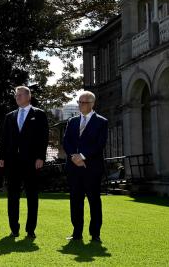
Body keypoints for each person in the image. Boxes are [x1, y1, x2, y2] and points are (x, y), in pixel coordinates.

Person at [0, 86, 49, 239]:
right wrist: (1, 157)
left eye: (20, 95)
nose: (17, 97)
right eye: (16, 95)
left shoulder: (39, 114)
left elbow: (43, 137)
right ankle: (14, 228)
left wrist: (41, 157)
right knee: (12, 197)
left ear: (28, 96)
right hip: (12, 163)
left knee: (32, 196)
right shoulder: (10, 116)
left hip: (32, 162)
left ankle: (30, 229)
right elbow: (4, 139)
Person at [63, 91, 108, 243]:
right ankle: (77, 233)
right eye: (79, 102)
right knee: (75, 201)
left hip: (92, 168)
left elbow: (99, 144)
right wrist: (73, 157)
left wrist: (82, 156)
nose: (81, 105)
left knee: (94, 200)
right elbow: (66, 142)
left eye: (84, 102)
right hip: (73, 168)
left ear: (92, 103)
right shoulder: (72, 121)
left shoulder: (102, 122)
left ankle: (95, 234)